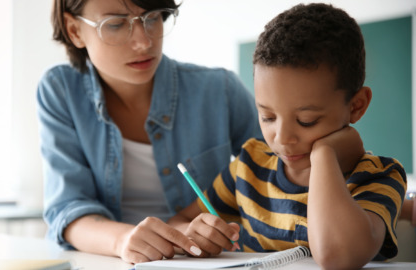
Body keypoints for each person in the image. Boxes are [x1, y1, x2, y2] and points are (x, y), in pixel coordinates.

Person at [169, 3, 407, 269]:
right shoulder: (250, 165)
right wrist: (196, 231)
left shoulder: (378, 177)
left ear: (356, 106)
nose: (282, 138)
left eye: (307, 121)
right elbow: (177, 222)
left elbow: (337, 255)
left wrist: (324, 155)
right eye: (268, 117)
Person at [36, 0, 261, 264]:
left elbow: (281, 173)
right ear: (74, 30)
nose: (144, 42)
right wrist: (124, 240)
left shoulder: (220, 90)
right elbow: (67, 209)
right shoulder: (61, 90)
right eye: (116, 24)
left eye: (152, 18)